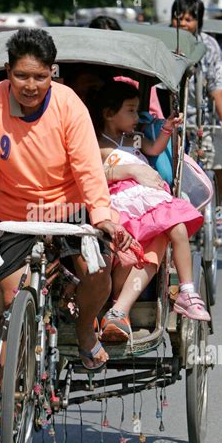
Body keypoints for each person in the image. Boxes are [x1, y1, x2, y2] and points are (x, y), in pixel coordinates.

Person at [0, 28, 133, 376]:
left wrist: (101, 215)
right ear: (8, 72)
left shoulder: (68, 105)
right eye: (21, 76)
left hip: (68, 210)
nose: (30, 85)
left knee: (98, 273)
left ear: (52, 73)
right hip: (13, 215)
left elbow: (87, 167)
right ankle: (15, 394)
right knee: (10, 300)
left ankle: (84, 333)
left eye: (39, 76)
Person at [90, 80, 210, 342]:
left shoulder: (134, 138)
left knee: (176, 226)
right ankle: (111, 310)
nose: (139, 117)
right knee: (123, 249)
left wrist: (166, 130)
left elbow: (154, 149)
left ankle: (187, 291)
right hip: (120, 201)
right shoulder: (97, 145)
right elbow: (91, 175)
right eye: (131, 111)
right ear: (109, 114)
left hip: (149, 196)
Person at [171, 0, 222, 199]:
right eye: (178, 18)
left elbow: (217, 87)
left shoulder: (209, 46)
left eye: (188, 19)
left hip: (201, 123)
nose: (182, 23)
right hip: (168, 123)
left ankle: (215, 201)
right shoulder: (160, 41)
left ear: (198, 22)